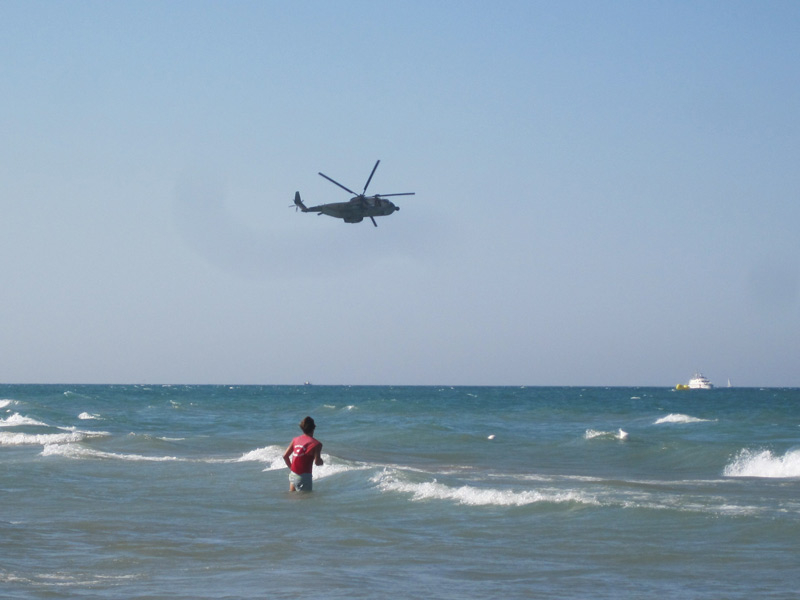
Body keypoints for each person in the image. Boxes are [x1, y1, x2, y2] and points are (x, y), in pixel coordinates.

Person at [282, 416, 323, 491]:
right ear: (313, 428)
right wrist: (322, 461)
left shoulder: (295, 440)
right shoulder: (316, 444)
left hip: (293, 475)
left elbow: (285, 456)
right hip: (304, 478)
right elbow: (317, 462)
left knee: (293, 500)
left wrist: (292, 469)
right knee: (306, 501)